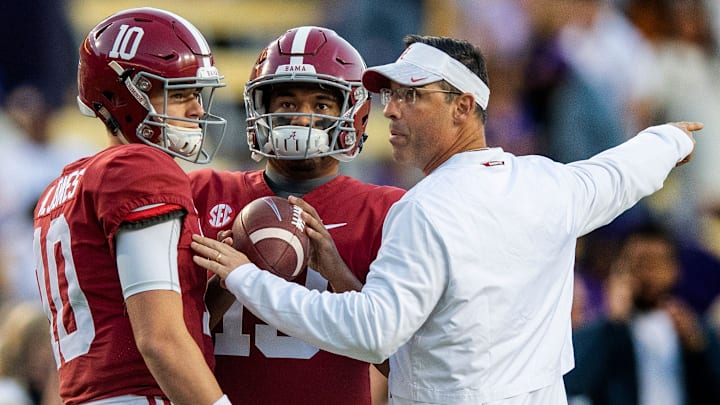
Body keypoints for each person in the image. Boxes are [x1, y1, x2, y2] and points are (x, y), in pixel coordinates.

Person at [190, 34, 700, 404]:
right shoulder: (550, 182)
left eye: (411, 95)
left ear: (462, 106)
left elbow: (373, 334)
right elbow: (622, 171)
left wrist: (244, 276)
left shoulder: (423, 209)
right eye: (391, 96)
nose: (391, 110)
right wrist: (671, 140)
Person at [189, 26, 405, 404]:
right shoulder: (204, 192)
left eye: (321, 106)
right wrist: (227, 283)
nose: (302, 119)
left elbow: (403, 365)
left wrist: (336, 272)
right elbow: (166, 337)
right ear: (260, 109)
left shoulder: (386, 210)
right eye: (287, 104)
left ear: (352, 113)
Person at [32, 8, 231, 404]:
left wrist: (214, 291)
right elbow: (159, 340)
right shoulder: (139, 168)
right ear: (126, 94)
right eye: (181, 93)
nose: (196, 109)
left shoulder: (61, 188)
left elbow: (118, 316)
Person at [565, 221, 720, 404]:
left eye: (657, 263)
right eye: (640, 262)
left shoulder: (694, 330)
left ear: (675, 270)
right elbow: (574, 383)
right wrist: (613, 323)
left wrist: (698, 350)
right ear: (620, 267)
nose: (648, 273)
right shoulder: (604, 330)